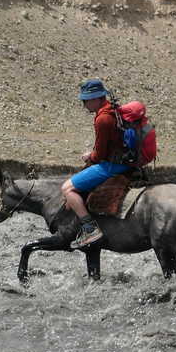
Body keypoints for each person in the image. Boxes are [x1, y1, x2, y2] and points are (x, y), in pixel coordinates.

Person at [61, 78, 136, 249]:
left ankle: (90, 229)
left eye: (86, 100)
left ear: (97, 99)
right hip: (125, 161)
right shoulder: (113, 110)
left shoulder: (103, 119)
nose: (84, 104)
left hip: (113, 166)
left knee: (67, 188)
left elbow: (100, 154)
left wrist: (90, 155)